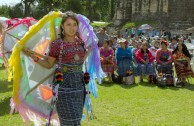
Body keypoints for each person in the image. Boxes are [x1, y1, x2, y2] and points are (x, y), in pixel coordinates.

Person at [23, 11, 91, 126]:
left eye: (74, 24)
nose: (72, 28)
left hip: (79, 87)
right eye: (68, 24)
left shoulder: (80, 43)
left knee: (77, 120)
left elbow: (79, 61)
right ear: (62, 26)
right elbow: (49, 64)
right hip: (63, 86)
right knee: (67, 121)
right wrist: (35, 57)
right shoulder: (57, 44)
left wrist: (88, 52)